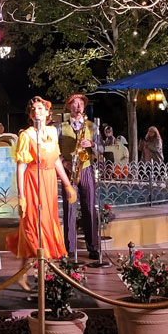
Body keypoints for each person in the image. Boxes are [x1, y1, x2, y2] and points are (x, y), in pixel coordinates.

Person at [6, 97, 75, 290]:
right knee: (33, 226)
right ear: (30, 114)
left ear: (47, 112)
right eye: (33, 109)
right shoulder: (26, 136)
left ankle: (34, 273)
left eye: (40, 108)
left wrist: (68, 184)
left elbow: (56, 160)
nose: (37, 111)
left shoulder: (53, 132)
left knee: (47, 223)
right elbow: (20, 166)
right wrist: (21, 196)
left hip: (49, 180)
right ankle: (37, 274)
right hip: (32, 181)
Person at [58, 93, 101, 260]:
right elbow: (55, 150)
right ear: (69, 107)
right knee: (69, 209)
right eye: (74, 104)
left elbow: (102, 149)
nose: (78, 106)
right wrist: (63, 162)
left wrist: (92, 144)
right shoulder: (61, 127)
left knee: (89, 207)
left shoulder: (91, 126)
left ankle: (93, 247)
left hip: (86, 168)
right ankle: (69, 248)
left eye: (80, 103)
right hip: (69, 170)